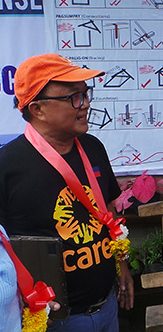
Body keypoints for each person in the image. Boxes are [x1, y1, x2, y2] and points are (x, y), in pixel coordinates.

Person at [0, 54, 134, 332]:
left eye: (86, 94)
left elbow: (109, 212)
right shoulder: (7, 167)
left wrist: (123, 268)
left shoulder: (93, 147)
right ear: (38, 109)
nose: (85, 105)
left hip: (107, 307)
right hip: (55, 320)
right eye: (73, 97)